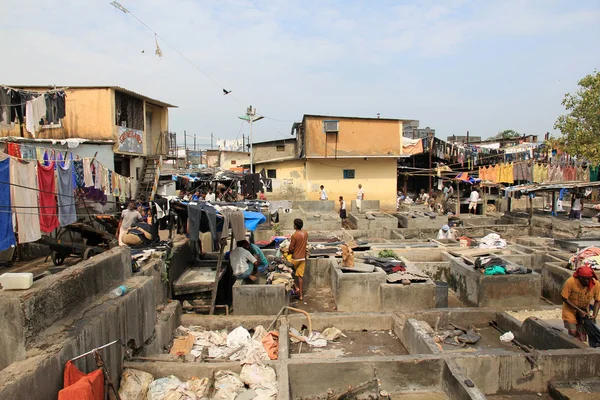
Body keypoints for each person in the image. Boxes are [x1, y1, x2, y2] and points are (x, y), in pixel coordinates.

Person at [561, 265, 600, 342]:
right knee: (573, 332)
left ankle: (581, 347)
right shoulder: (571, 282)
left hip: (584, 310)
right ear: (579, 277)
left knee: (583, 331)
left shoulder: (596, 284)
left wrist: (594, 315)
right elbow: (564, 297)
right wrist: (578, 310)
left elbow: (597, 300)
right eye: (584, 279)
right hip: (570, 310)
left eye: (588, 279)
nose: (587, 281)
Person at [288, 218, 308, 300]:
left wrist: (288, 250)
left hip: (295, 258)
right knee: (300, 276)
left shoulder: (294, 235)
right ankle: (300, 295)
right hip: (303, 258)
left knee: (288, 273)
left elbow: (291, 248)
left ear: (295, 226)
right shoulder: (306, 233)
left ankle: (296, 288)